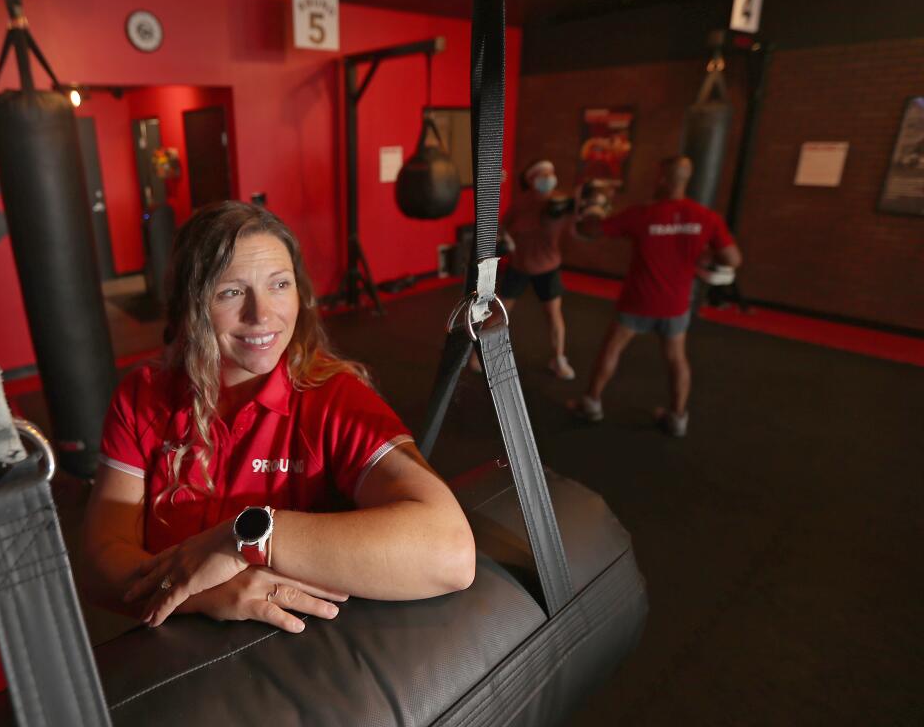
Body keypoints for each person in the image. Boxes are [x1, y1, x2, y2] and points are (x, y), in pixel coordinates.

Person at [84, 201, 476, 634]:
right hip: (166, 657)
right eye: (231, 292)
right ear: (188, 306)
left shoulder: (332, 397)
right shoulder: (143, 395)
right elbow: (104, 553)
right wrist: (204, 597)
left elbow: (450, 552)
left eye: (279, 284)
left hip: (288, 665)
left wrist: (244, 539)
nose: (263, 314)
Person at [570, 156, 742, 437]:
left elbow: (590, 229)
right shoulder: (707, 218)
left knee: (612, 349)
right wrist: (704, 257)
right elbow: (733, 259)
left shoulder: (642, 215)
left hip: (638, 301)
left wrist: (594, 205)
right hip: (675, 305)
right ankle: (677, 418)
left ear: (663, 179)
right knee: (677, 358)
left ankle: (591, 404)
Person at [478, 159, 577, 379]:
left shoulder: (560, 202)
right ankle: (479, 355)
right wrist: (507, 238)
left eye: (550, 173)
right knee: (498, 313)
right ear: (531, 180)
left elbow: (578, 225)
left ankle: (559, 359)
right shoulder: (521, 204)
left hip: (548, 267)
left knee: (553, 315)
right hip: (520, 266)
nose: (548, 178)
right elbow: (502, 228)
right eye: (543, 175)